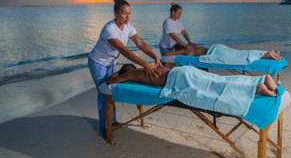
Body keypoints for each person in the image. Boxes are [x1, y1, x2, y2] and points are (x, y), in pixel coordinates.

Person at [88, 0, 163, 137]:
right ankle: (104, 128)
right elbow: (124, 51)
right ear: (116, 14)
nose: (127, 16)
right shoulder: (109, 29)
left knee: (112, 90)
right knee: (103, 93)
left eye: (129, 13)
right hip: (98, 62)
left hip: (111, 62)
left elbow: (140, 44)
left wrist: (155, 57)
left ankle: (113, 121)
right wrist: (144, 64)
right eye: (124, 13)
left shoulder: (129, 27)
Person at [106, 64, 278, 97]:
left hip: (178, 78)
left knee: (216, 87)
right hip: (181, 70)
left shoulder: (133, 74)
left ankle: (257, 89)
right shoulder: (150, 67)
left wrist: (117, 74)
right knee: (218, 79)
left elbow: (110, 81)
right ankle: (263, 79)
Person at [162, 44, 282, 61]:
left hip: (215, 52)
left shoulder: (186, 49)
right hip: (217, 47)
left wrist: (177, 51)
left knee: (239, 56)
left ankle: (266, 55)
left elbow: (166, 55)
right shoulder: (193, 46)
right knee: (240, 53)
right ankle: (267, 52)